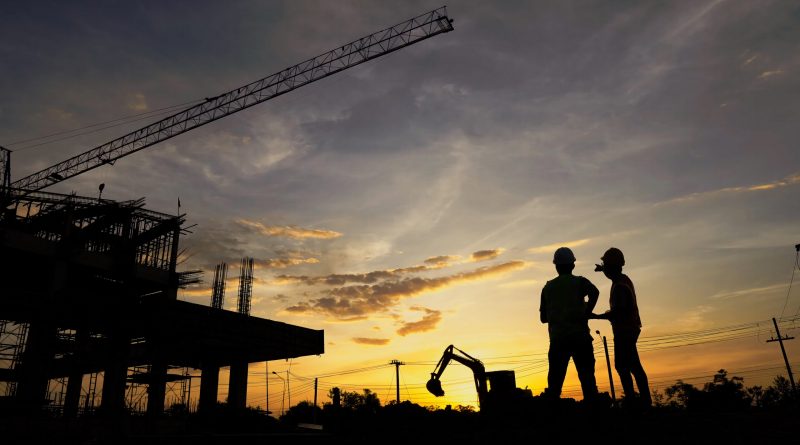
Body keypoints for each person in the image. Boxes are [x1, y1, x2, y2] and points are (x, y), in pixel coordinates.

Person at [592, 247, 651, 407]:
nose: (604, 270)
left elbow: (618, 312)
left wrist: (595, 316)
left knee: (624, 366)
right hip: (629, 329)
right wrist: (602, 268)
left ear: (612, 267)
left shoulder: (619, 286)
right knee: (631, 366)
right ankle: (641, 401)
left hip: (625, 331)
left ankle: (635, 401)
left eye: (606, 266)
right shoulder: (623, 279)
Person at [540, 247, 600, 400]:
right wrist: (586, 312)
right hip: (580, 339)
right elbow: (595, 292)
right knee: (588, 381)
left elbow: (543, 318)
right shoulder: (580, 282)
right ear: (573, 265)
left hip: (558, 341)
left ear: (556, 266)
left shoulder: (547, 288)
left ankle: (554, 412)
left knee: (555, 385)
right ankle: (594, 411)